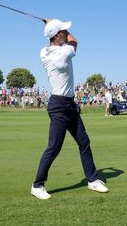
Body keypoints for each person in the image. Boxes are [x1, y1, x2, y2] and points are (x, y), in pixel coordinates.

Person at [31, 19, 108, 200]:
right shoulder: (63, 53)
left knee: (84, 141)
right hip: (59, 106)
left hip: (68, 104)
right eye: (64, 31)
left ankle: (92, 179)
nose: (67, 33)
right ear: (58, 36)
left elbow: (61, 40)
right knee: (54, 147)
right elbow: (75, 41)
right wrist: (52, 23)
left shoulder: (44, 51)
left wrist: (53, 26)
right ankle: (37, 185)